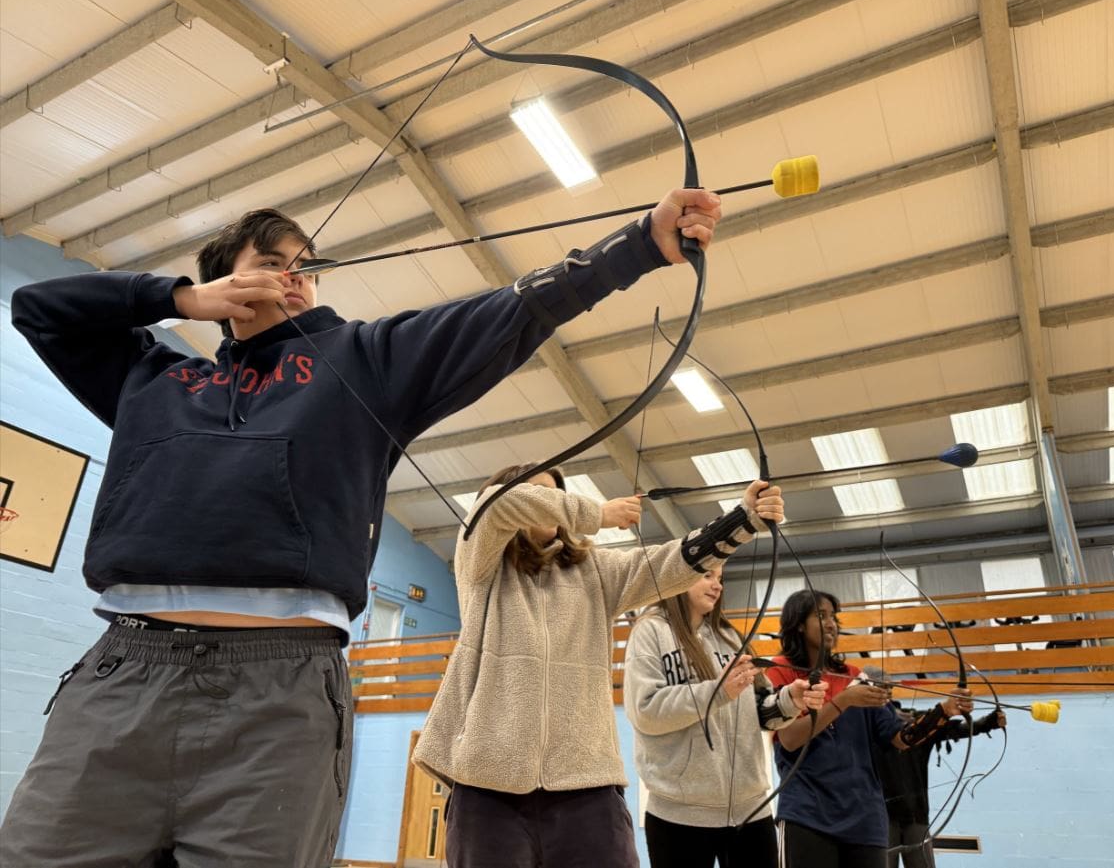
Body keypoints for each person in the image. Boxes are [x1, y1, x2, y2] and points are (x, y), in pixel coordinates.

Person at [1, 188, 722, 867]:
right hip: (123, 673)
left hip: (280, 689)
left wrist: (637, 245)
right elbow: (38, 308)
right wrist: (176, 298)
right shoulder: (153, 379)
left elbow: (507, 314)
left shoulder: (359, 361)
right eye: (271, 263)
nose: (294, 276)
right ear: (223, 287)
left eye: (304, 267)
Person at [412, 466, 784, 868]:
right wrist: (595, 514)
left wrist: (743, 518)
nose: (550, 503)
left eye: (557, 493)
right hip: (488, 788)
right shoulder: (482, 564)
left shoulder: (595, 570)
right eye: (539, 495)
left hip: (587, 786)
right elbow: (494, 505)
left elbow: (670, 561)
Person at [624, 564, 828, 868]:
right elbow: (646, 710)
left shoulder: (730, 636)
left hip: (751, 811)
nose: (717, 585)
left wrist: (790, 700)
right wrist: (718, 691)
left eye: (721, 578)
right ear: (679, 575)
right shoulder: (650, 630)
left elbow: (760, 709)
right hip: (678, 813)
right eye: (707, 575)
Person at [764, 590, 975, 868]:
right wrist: (844, 700)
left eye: (834, 618)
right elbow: (790, 739)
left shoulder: (855, 676)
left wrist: (944, 711)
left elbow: (900, 739)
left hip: (865, 822)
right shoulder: (780, 671)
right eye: (821, 615)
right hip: (807, 817)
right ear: (798, 624)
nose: (831, 624)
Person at [862, 666, 1007, 868]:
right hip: (881, 815)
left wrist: (989, 722)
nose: (886, 690)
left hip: (916, 812)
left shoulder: (918, 722)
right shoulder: (864, 724)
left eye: (889, 686)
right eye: (879, 686)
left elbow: (953, 728)